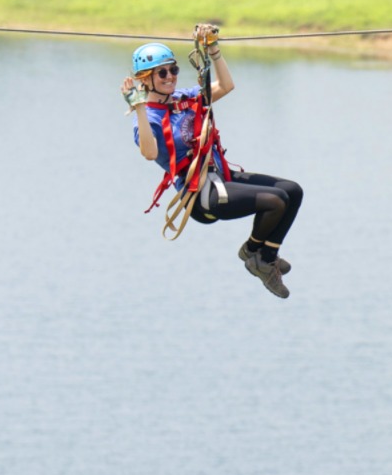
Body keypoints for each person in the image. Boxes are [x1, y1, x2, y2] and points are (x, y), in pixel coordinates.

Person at [120, 24, 303, 299]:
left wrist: (214, 49)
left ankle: (266, 255)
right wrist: (140, 108)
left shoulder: (186, 97)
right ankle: (253, 253)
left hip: (221, 175)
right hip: (201, 193)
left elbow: (226, 86)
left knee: (292, 191)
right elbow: (148, 152)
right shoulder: (150, 118)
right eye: (162, 73)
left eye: (173, 70)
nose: (170, 77)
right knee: (275, 201)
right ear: (146, 79)